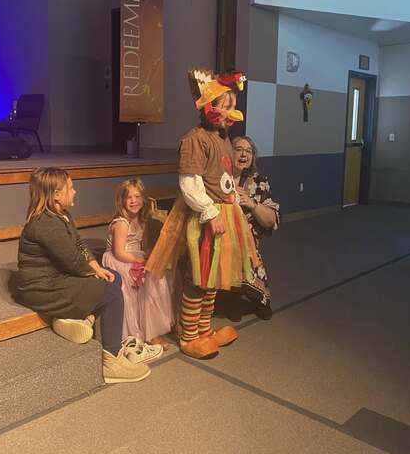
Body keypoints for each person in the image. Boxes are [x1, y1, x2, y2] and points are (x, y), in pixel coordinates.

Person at [146, 68, 259, 359]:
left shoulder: (223, 138)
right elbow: (190, 183)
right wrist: (210, 212)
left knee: (214, 281)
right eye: (225, 106)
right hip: (206, 216)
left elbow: (223, 176)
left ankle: (205, 330)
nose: (230, 113)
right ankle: (189, 336)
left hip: (225, 212)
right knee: (199, 279)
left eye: (232, 106)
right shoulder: (194, 139)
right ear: (209, 106)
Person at [15, 167, 150, 384]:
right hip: (42, 288)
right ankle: (112, 362)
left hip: (57, 277)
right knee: (111, 294)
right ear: (57, 195)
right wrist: (93, 273)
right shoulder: (46, 224)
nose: (75, 191)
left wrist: (96, 267)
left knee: (113, 276)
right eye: (71, 188)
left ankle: (80, 316)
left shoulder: (62, 215)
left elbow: (79, 244)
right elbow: (72, 261)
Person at [102, 178, 175, 358]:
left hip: (135, 256)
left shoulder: (141, 220)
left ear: (143, 198)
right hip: (119, 260)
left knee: (157, 275)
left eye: (137, 196)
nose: (133, 201)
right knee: (141, 282)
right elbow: (119, 252)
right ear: (122, 201)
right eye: (129, 197)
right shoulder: (121, 223)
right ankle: (138, 334)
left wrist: (151, 256)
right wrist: (139, 261)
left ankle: (151, 331)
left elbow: (142, 245)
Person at [215, 135, 280, 320]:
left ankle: (258, 298)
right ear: (230, 153)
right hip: (222, 237)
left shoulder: (259, 181)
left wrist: (252, 204)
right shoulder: (218, 179)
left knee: (247, 254)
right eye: (238, 149)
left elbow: (271, 219)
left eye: (248, 151)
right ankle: (232, 297)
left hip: (248, 242)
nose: (244, 154)